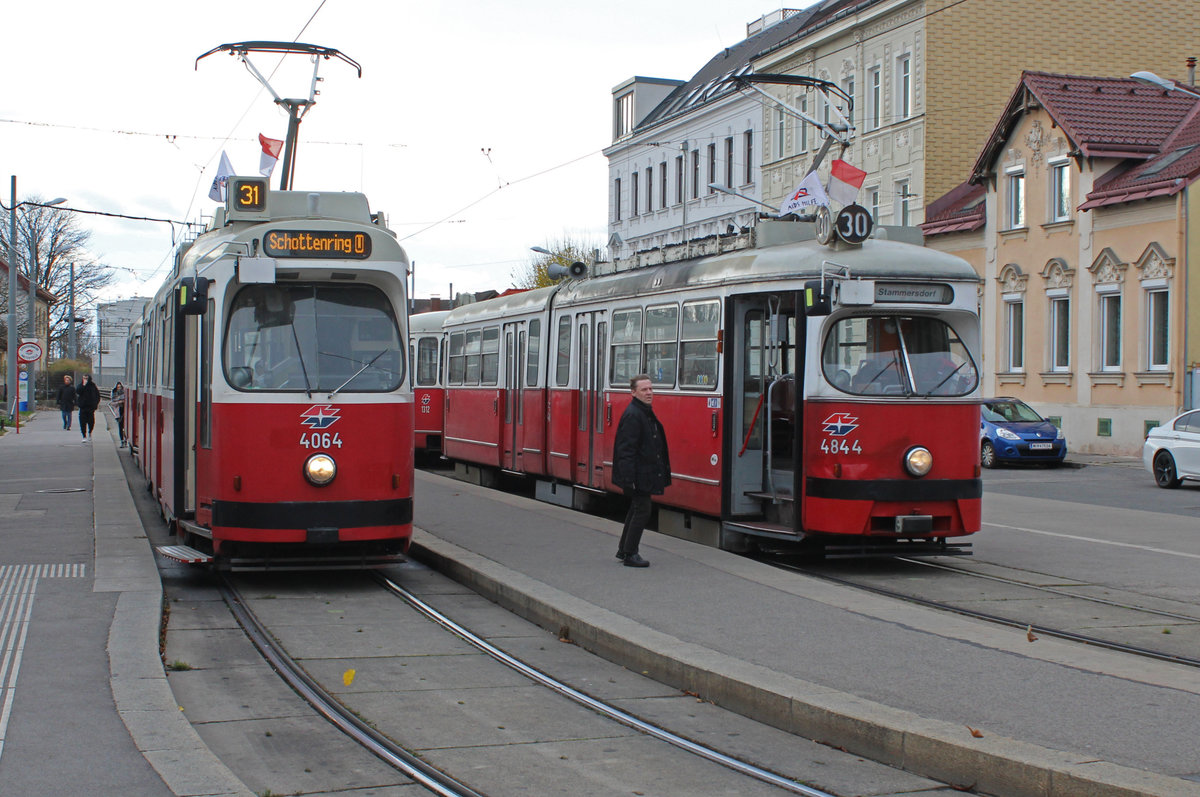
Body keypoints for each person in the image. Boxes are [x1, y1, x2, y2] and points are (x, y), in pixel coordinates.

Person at [611, 374, 671, 568]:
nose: (649, 393)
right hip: (638, 475)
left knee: (637, 509)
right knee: (642, 511)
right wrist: (630, 479)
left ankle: (624, 549)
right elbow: (625, 450)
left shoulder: (643, 411)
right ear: (633, 392)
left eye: (651, 389)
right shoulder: (634, 415)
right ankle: (630, 553)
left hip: (642, 473)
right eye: (644, 390)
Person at [76, 374, 100, 442]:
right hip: (83, 407)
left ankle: (90, 432)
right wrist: (83, 385)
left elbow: (97, 395)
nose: (85, 379)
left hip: (91, 407)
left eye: (86, 378)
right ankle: (84, 435)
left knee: (91, 421)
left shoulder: (92, 386)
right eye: (84, 378)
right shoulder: (81, 385)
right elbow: (78, 391)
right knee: (82, 422)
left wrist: (95, 404)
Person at [110, 381, 127, 447]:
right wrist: (118, 402)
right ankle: (122, 440)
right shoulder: (114, 393)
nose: (119, 388)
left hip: (123, 411)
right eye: (118, 387)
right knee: (120, 427)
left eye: (120, 387)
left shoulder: (124, 393)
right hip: (118, 412)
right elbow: (112, 403)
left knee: (124, 427)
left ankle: (125, 439)